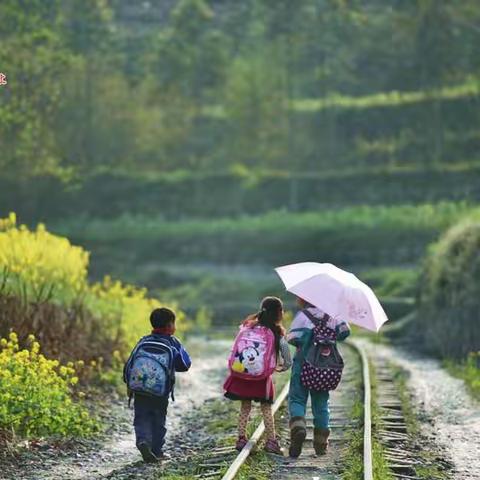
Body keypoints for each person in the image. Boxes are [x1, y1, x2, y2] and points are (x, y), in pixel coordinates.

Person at [223, 296, 292, 455]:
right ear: (279, 313)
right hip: (262, 379)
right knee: (266, 408)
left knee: (245, 406)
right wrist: (285, 366)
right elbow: (286, 354)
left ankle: (241, 438)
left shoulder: (247, 327)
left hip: (242, 375)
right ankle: (271, 441)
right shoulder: (276, 332)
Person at [123, 307, 191, 462]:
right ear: (169, 327)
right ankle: (157, 451)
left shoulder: (143, 341)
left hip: (140, 389)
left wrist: (128, 383)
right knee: (158, 419)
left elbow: (130, 364)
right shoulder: (173, 343)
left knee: (141, 417)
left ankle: (142, 440)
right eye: (174, 323)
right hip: (161, 392)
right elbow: (185, 365)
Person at [287, 296, 350, 457]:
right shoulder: (334, 316)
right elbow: (344, 333)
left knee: (297, 398)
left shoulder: (304, 315)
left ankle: (298, 426)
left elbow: (292, 338)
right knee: (321, 403)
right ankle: (321, 442)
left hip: (302, 363)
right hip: (325, 366)